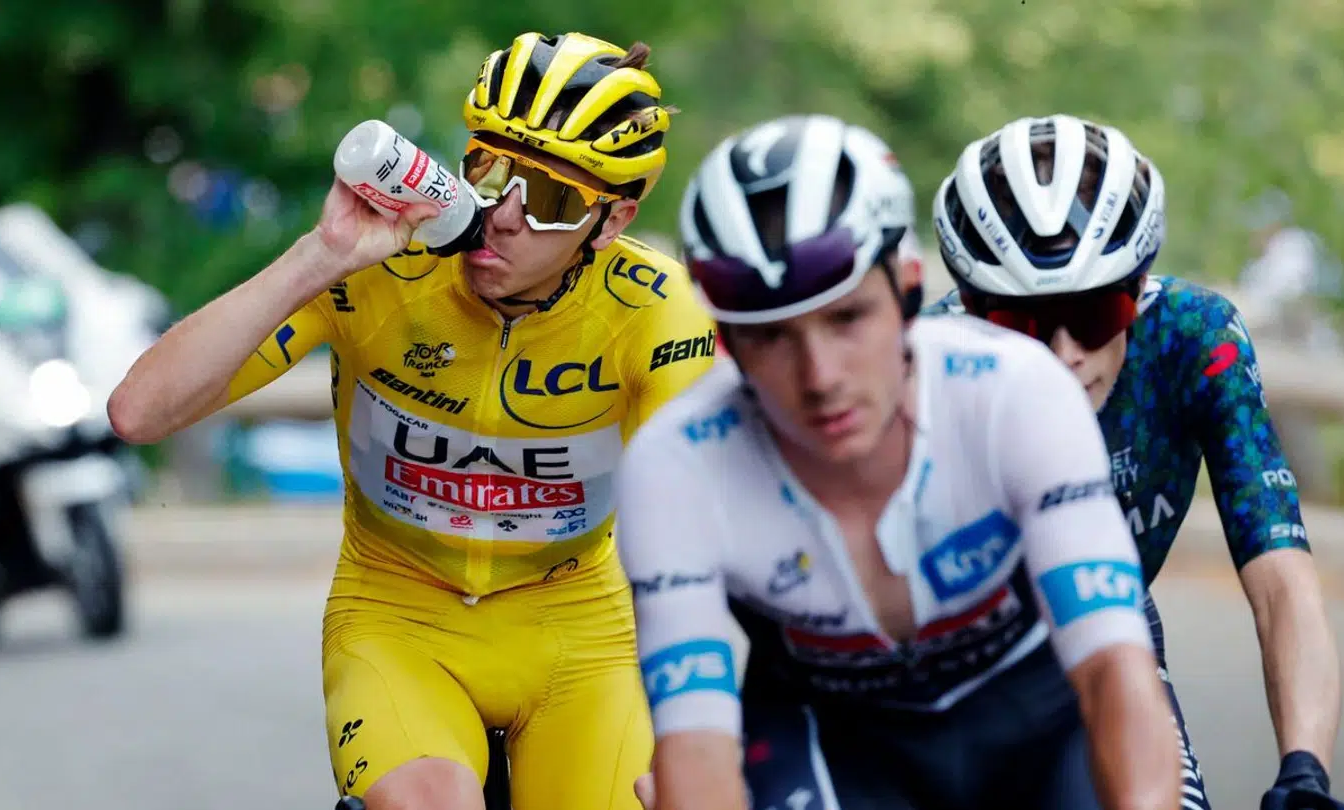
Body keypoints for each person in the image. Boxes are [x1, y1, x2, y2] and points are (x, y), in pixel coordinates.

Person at [107, 31, 716, 810]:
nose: (505, 215)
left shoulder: (657, 311)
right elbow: (139, 412)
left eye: (553, 200)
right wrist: (321, 255)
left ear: (611, 221)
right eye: (490, 171)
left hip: (581, 637)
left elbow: (698, 525)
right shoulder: (378, 269)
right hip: (398, 616)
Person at [616, 113, 1181, 810]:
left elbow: (1114, 670)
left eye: (846, 318)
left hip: (1036, 720)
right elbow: (695, 748)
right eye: (771, 337)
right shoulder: (675, 465)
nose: (820, 377)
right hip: (833, 739)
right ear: (726, 339)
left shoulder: (1016, 393)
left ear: (909, 289)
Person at [922, 114, 1344, 810]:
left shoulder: (1192, 337)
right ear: (973, 309)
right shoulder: (928, 362)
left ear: (1139, 284)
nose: (1064, 354)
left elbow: (1282, 581)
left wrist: (1304, 774)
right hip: (938, 668)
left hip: (1109, 631)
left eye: (1094, 314)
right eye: (1021, 323)